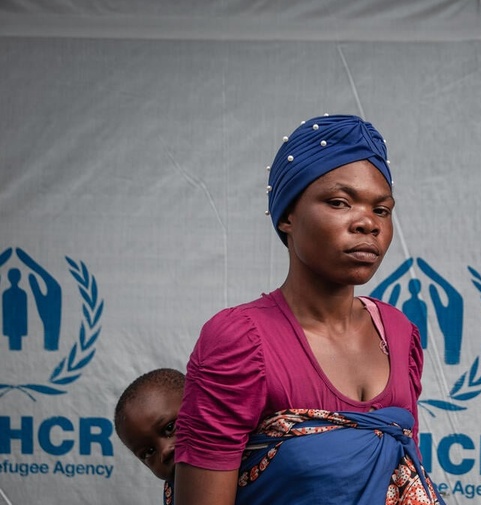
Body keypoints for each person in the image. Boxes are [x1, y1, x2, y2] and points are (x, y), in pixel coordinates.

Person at [174, 114, 445, 505]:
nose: (367, 223)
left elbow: (405, 477)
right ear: (287, 215)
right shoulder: (240, 340)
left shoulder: (399, 332)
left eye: (382, 210)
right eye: (340, 202)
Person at [114, 368, 184, 505]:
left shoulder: (237, 463)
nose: (165, 451)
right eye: (148, 452)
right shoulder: (173, 489)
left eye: (170, 428)